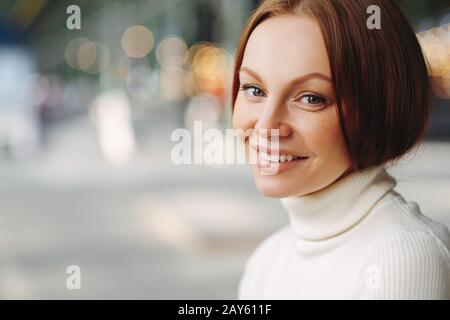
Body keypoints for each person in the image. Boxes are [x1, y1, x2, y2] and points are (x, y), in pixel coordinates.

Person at [231, 0, 450, 299]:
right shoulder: (266, 261)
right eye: (254, 90)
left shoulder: (401, 256)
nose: (267, 124)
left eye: (310, 98)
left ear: (378, 108)